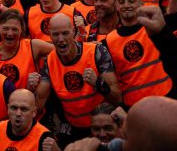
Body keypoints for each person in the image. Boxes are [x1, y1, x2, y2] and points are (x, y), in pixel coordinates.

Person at [36, 13, 120, 144]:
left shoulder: (96, 51)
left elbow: (117, 97)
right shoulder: (50, 61)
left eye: (65, 33)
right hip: (74, 127)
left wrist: (98, 83)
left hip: (101, 128)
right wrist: (30, 88)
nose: (61, 39)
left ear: (74, 32)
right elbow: (39, 104)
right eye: (55, 34)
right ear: (50, 36)